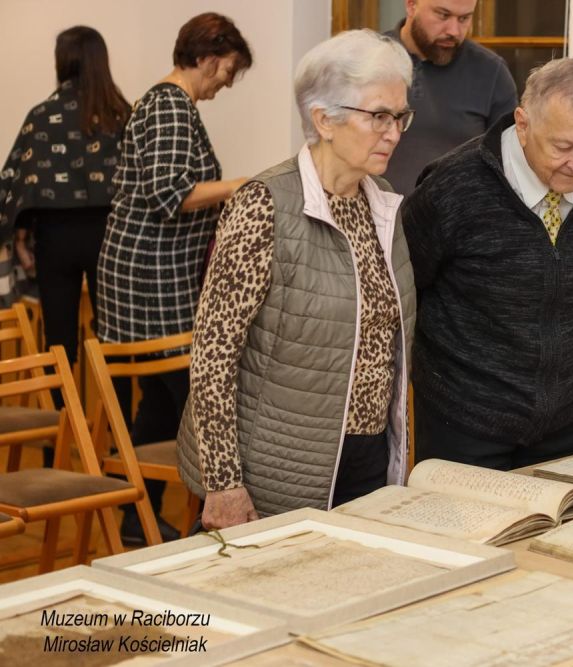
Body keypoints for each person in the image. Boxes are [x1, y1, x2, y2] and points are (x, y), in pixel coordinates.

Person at [175, 29, 416, 529]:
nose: (393, 132)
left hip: (366, 462)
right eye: (378, 116)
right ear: (324, 120)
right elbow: (213, 357)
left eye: (399, 116)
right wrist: (223, 483)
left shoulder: (383, 202)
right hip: (275, 473)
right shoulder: (266, 204)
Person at [404, 57, 573, 471]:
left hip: (568, 418)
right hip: (465, 422)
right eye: (563, 147)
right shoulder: (454, 184)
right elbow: (405, 287)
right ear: (523, 124)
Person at [96, 12, 252, 544]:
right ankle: (203, 513)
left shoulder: (171, 104)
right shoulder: (168, 105)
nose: (223, 85)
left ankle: (139, 515)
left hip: (156, 275)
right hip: (148, 278)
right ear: (207, 58)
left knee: (162, 402)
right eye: (225, 73)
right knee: (191, 396)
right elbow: (172, 195)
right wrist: (240, 185)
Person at [0, 26, 128, 374]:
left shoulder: (41, 116)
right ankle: (117, 426)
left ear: (63, 61)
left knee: (58, 344)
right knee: (113, 340)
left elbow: (15, 184)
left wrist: (20, 238)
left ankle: (62, 422)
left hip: (54, 239)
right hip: (109, 237)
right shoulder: (122, 116)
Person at [384, 0, 517, 195]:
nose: (454, 31)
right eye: (443, 15)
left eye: (464, 18)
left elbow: (510, 165)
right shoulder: (367, 59)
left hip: (457, 220)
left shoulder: (491, 72)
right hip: (372, 218)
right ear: (411, 5)